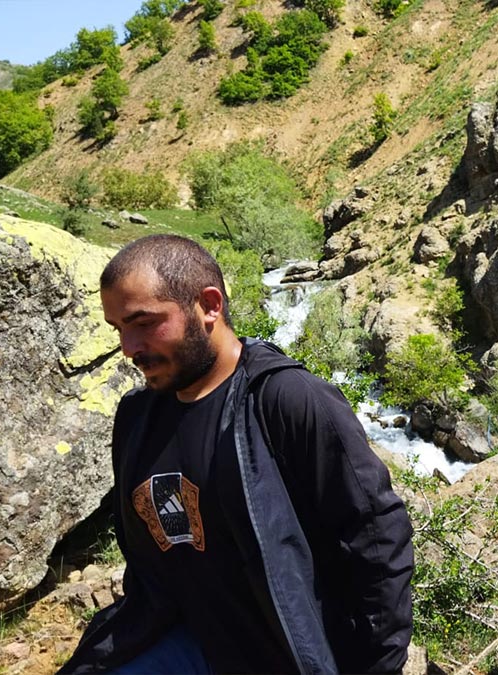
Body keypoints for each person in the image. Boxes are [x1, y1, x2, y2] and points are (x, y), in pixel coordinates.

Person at [60, 235, 414, 674]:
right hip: (181, 640)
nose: (129, 348)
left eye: (143, 322)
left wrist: (375, 666)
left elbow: (375, 540)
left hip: (283, 653)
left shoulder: (288, 401)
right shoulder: (136, 416)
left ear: (210, 306)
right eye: (119, 329)